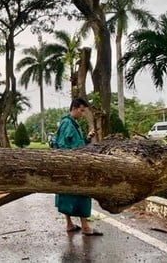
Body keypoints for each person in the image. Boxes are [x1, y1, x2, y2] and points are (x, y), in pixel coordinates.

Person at [54, 98, 102, 236]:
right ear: (74, 108)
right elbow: (63, 146)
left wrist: (87, 139)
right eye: (81, 110)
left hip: (71, 164)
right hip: (72, 165)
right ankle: (85, 226)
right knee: (82, 194)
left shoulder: (72, 124)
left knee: (67, 194)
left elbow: (76, 143)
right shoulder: (67, 124)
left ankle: (70, 224)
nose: (82, 114)